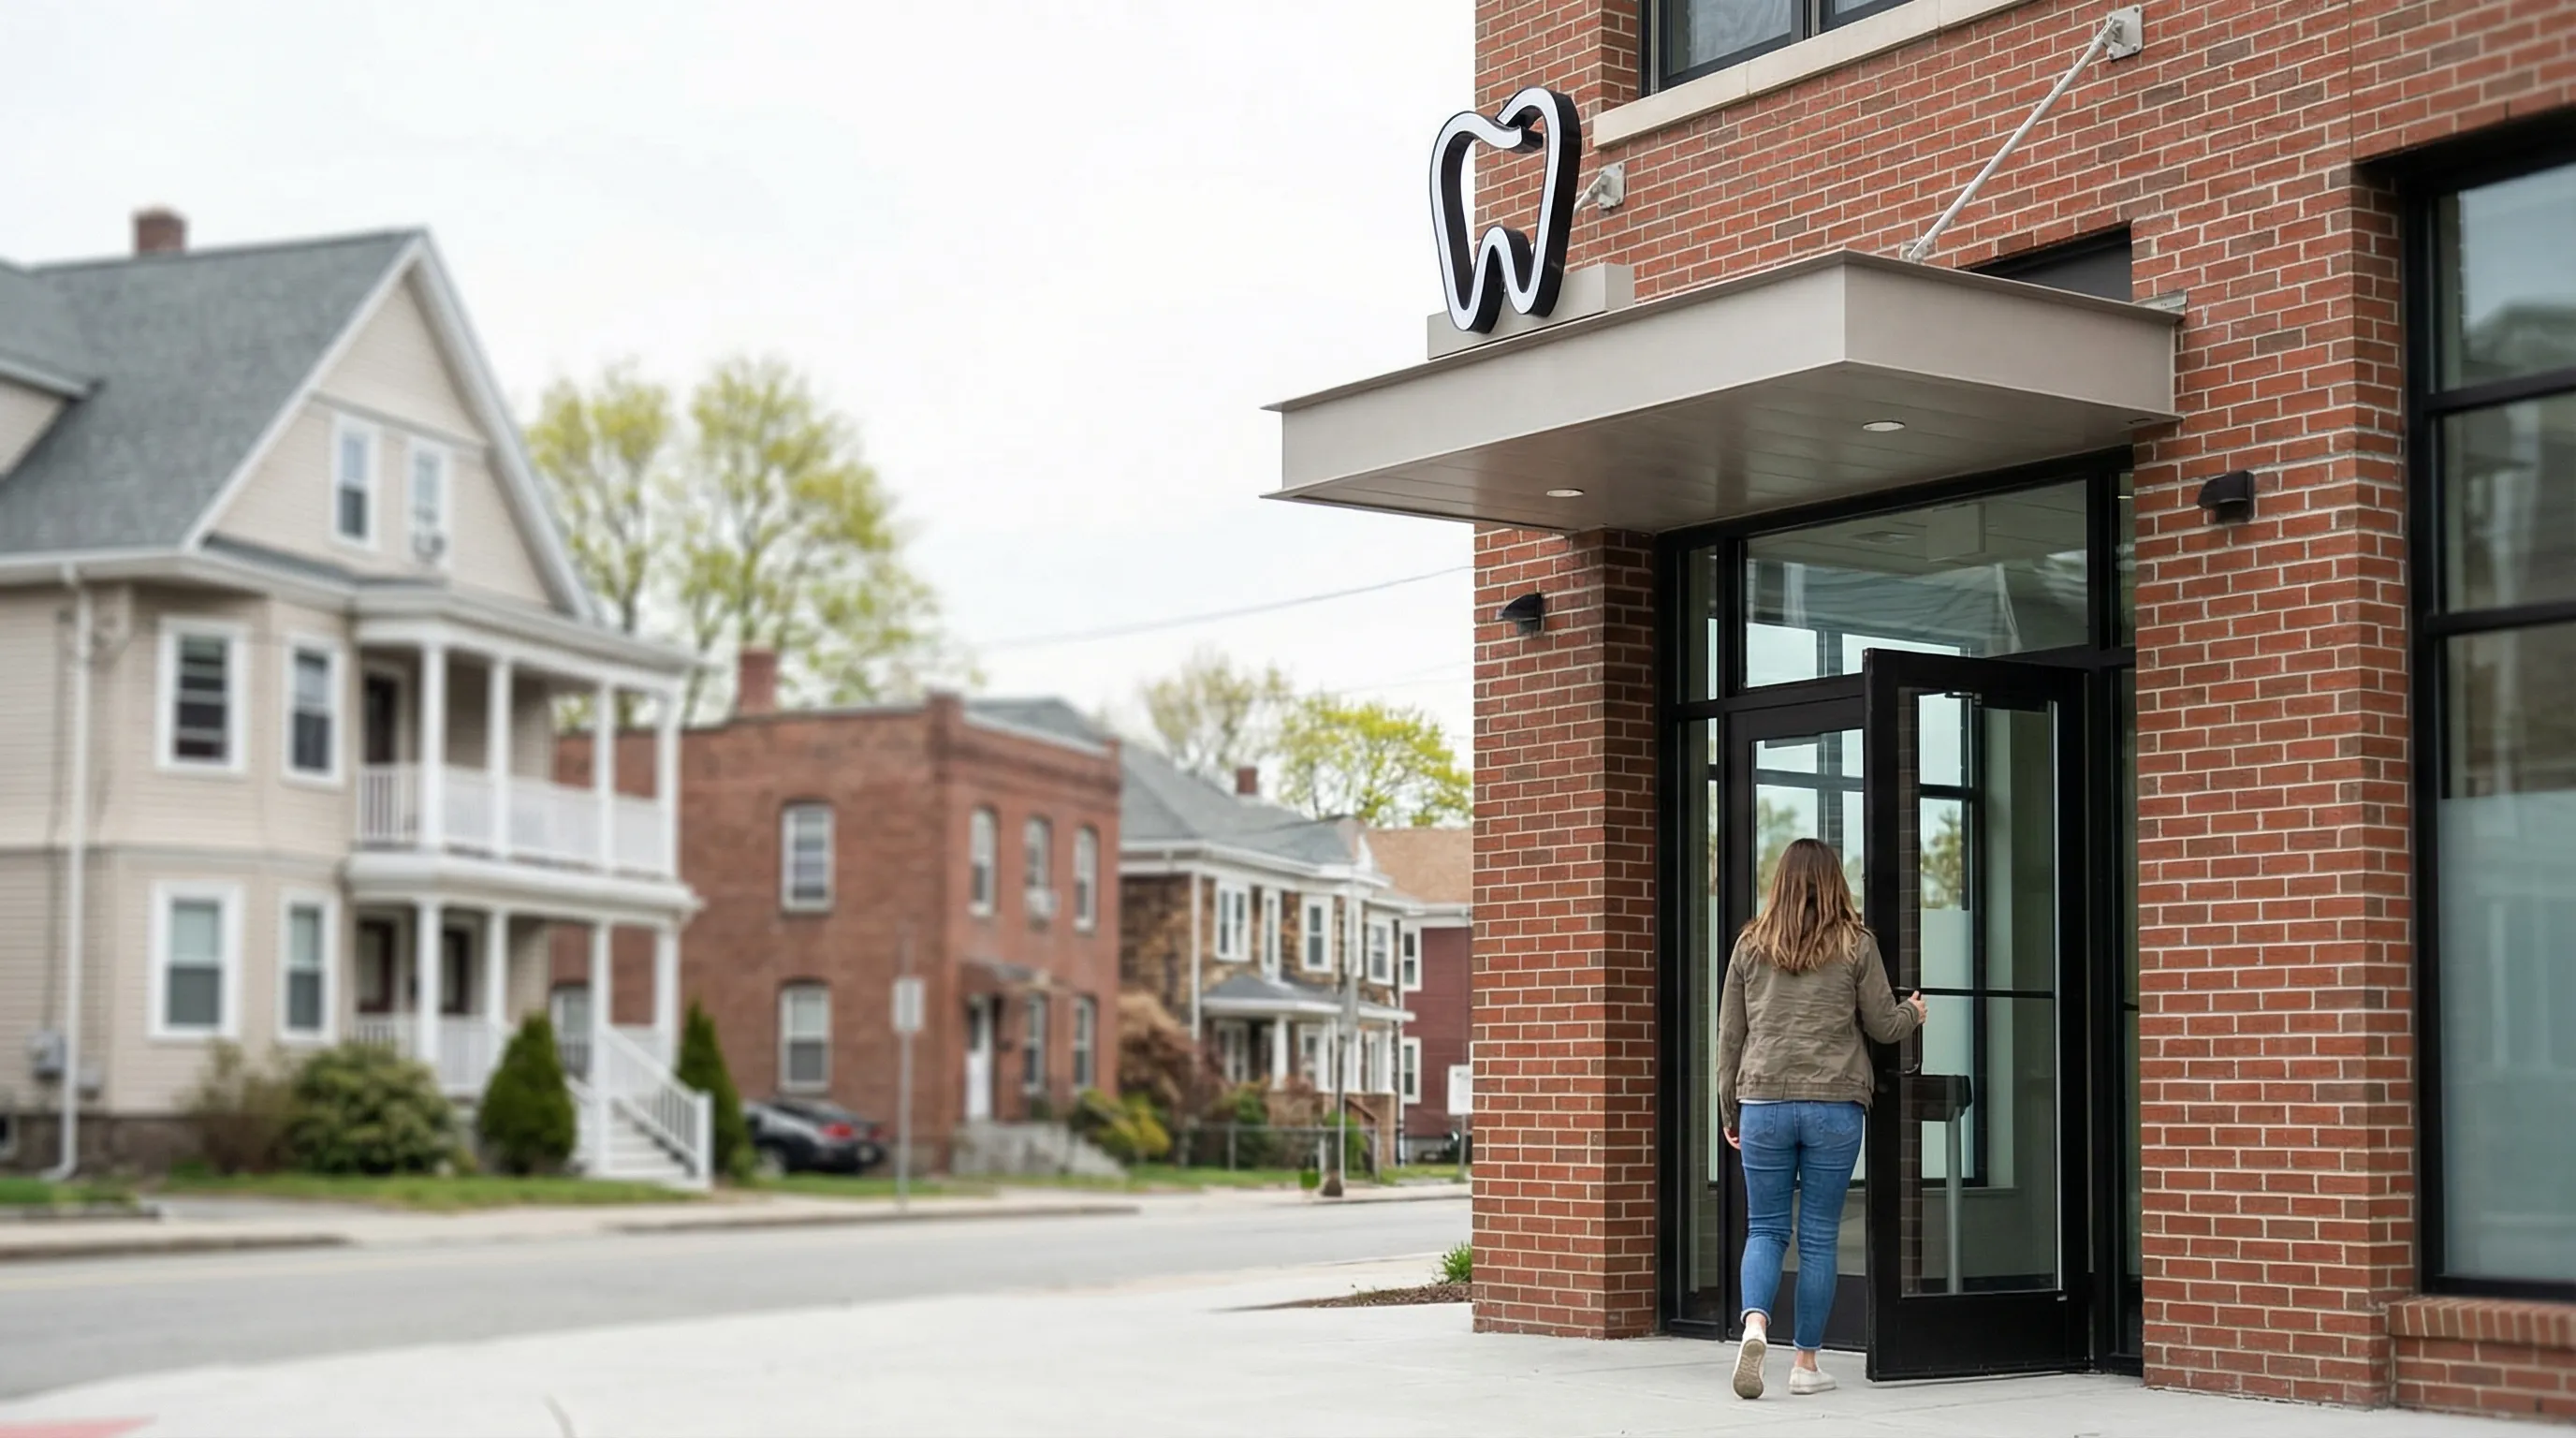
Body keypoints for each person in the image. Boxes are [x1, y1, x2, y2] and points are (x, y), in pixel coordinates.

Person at [1715, 837, 1926, 1400]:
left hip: (1762, 1101)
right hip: (1834, 1104)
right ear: (1836, 882)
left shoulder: (1749, 946)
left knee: (1764, 1228)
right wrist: (1915, 1012)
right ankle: (1806, 1364)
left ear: (1780, 881)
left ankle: (1755, 1324)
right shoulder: (1855, 945)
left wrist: (1728, 1105)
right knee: (1817, 1238)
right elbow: (1883, 1025)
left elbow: (1730, 1036)